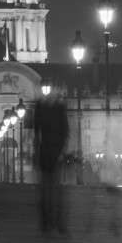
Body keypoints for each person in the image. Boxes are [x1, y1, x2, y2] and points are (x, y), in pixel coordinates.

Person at [33, 90, 70, 235]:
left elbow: (37, 130)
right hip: (50, 151)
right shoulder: (56, 108)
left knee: (49, 188)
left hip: (51, 150)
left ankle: (50, 222)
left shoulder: (43, 107)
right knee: (53, 188)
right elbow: (65, 130)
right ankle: (52, 222)